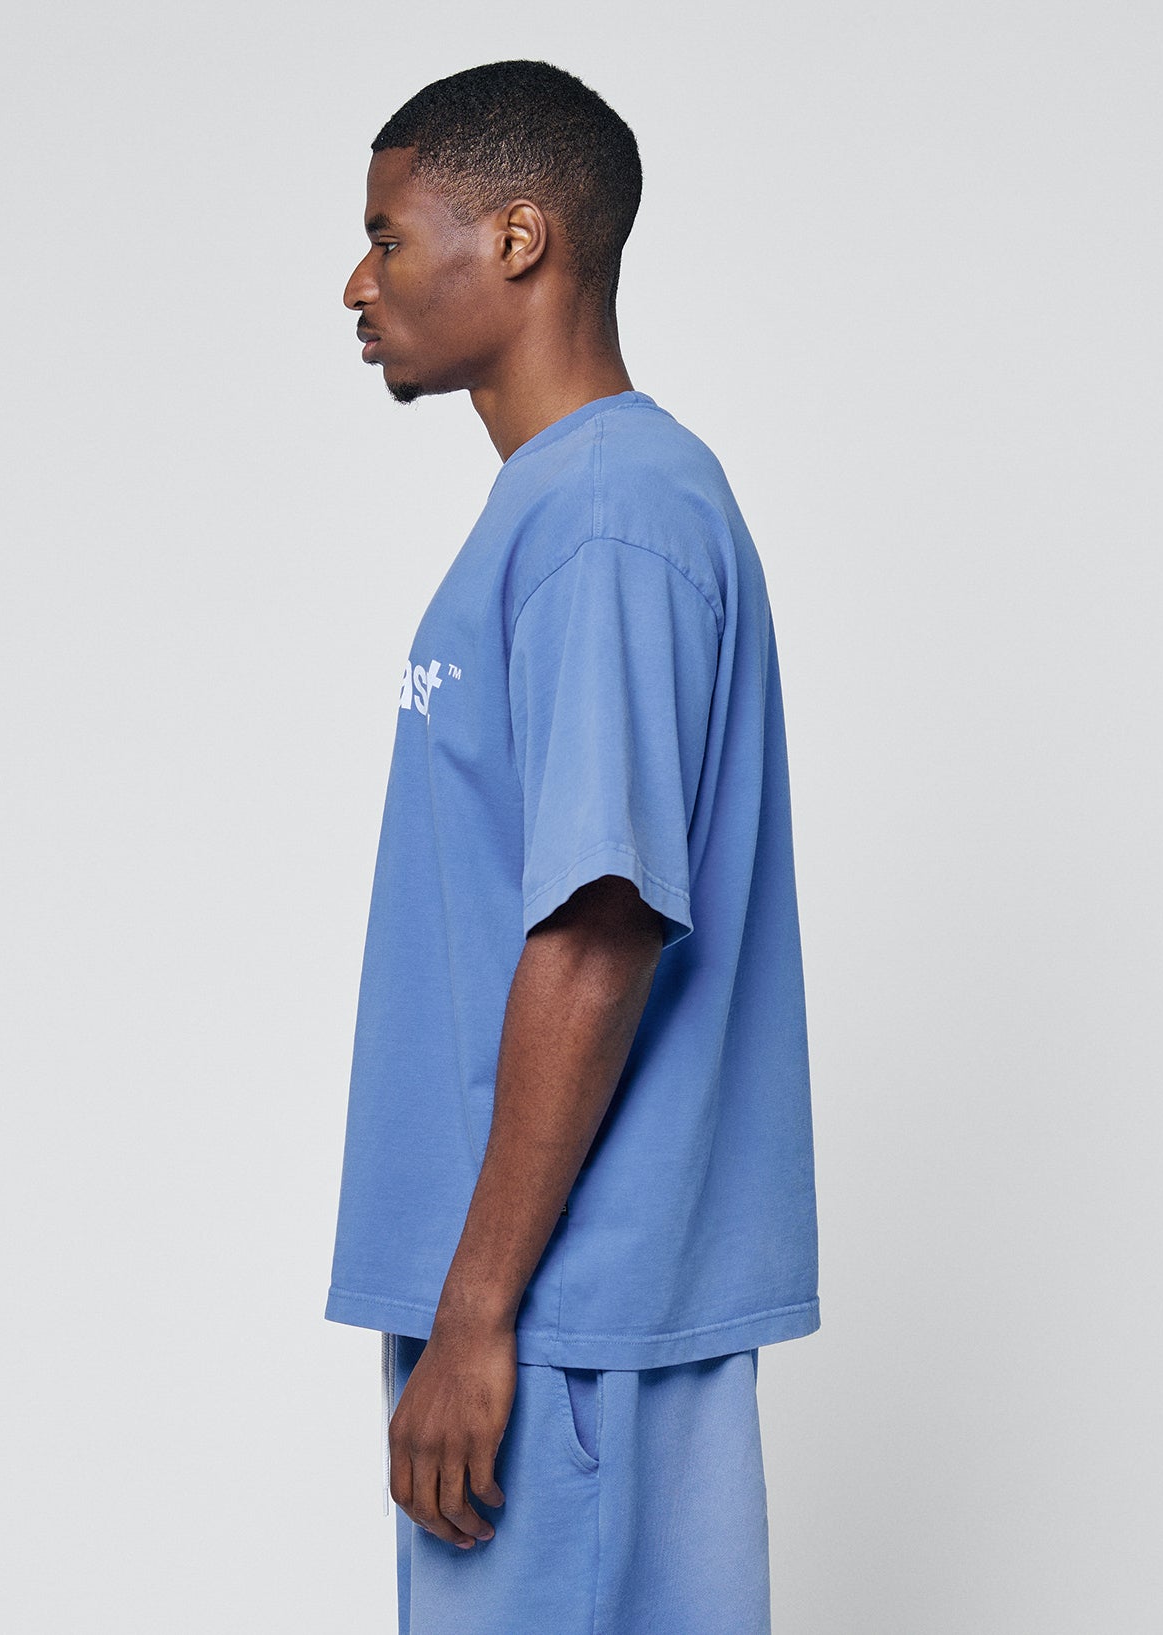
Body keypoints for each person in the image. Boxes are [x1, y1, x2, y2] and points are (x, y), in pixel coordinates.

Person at [324, 59, 820, 1635]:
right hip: (548, 1308)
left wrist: (479, 1318)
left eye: (387, 238)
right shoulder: (574, 507)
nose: (357, 284)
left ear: (519, 239)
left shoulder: (608, 516)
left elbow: (601, 925)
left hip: (558, 1323)